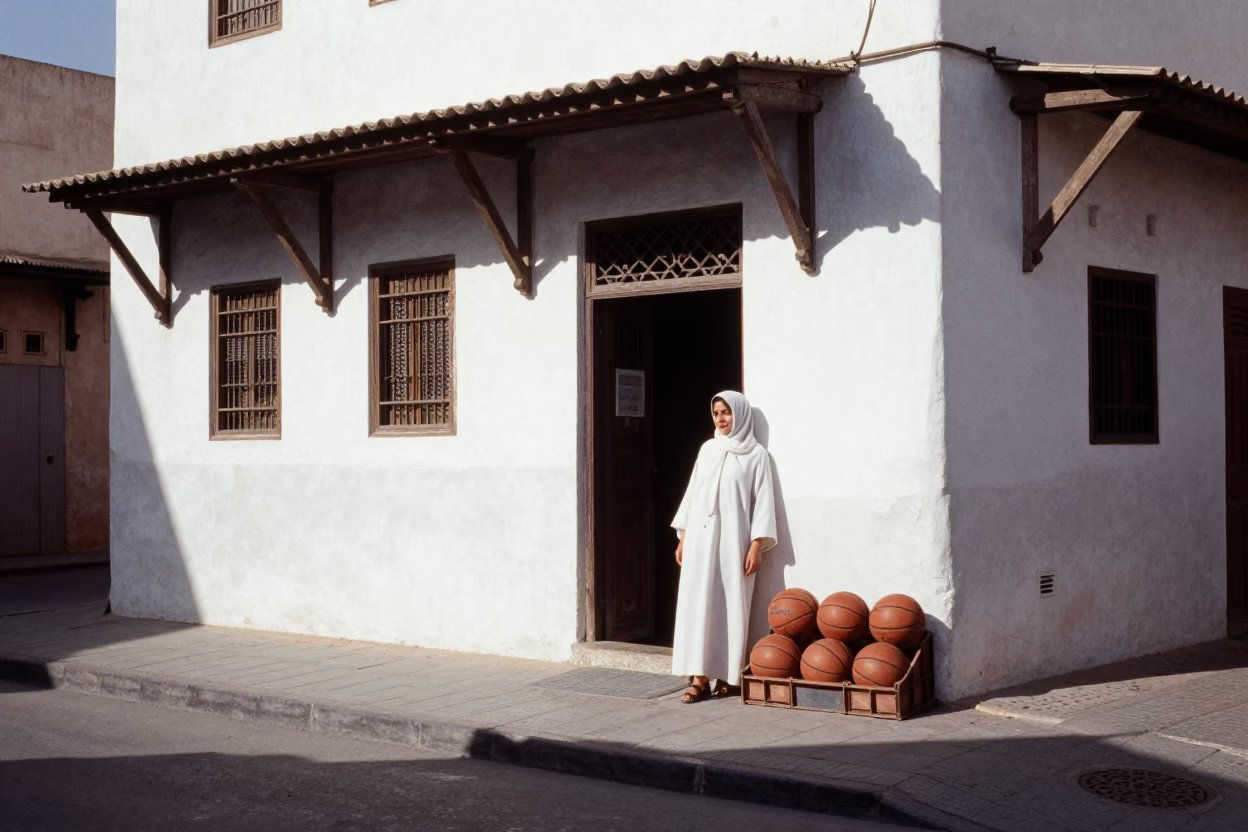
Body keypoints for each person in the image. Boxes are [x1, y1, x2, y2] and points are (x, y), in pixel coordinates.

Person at [671, 391, 777, 703]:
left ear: (741, 414)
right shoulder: (707, 450)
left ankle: (730, 677)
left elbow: (763, 504)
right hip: (700, 543)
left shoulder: (756, 456)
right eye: (716, 413)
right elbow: (693, 495)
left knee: (731, 606)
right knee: (699, 605)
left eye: (726, 412)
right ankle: (699, 678)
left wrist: (756, 545)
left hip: (734, 544)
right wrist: (684, 537)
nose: (721, 419)